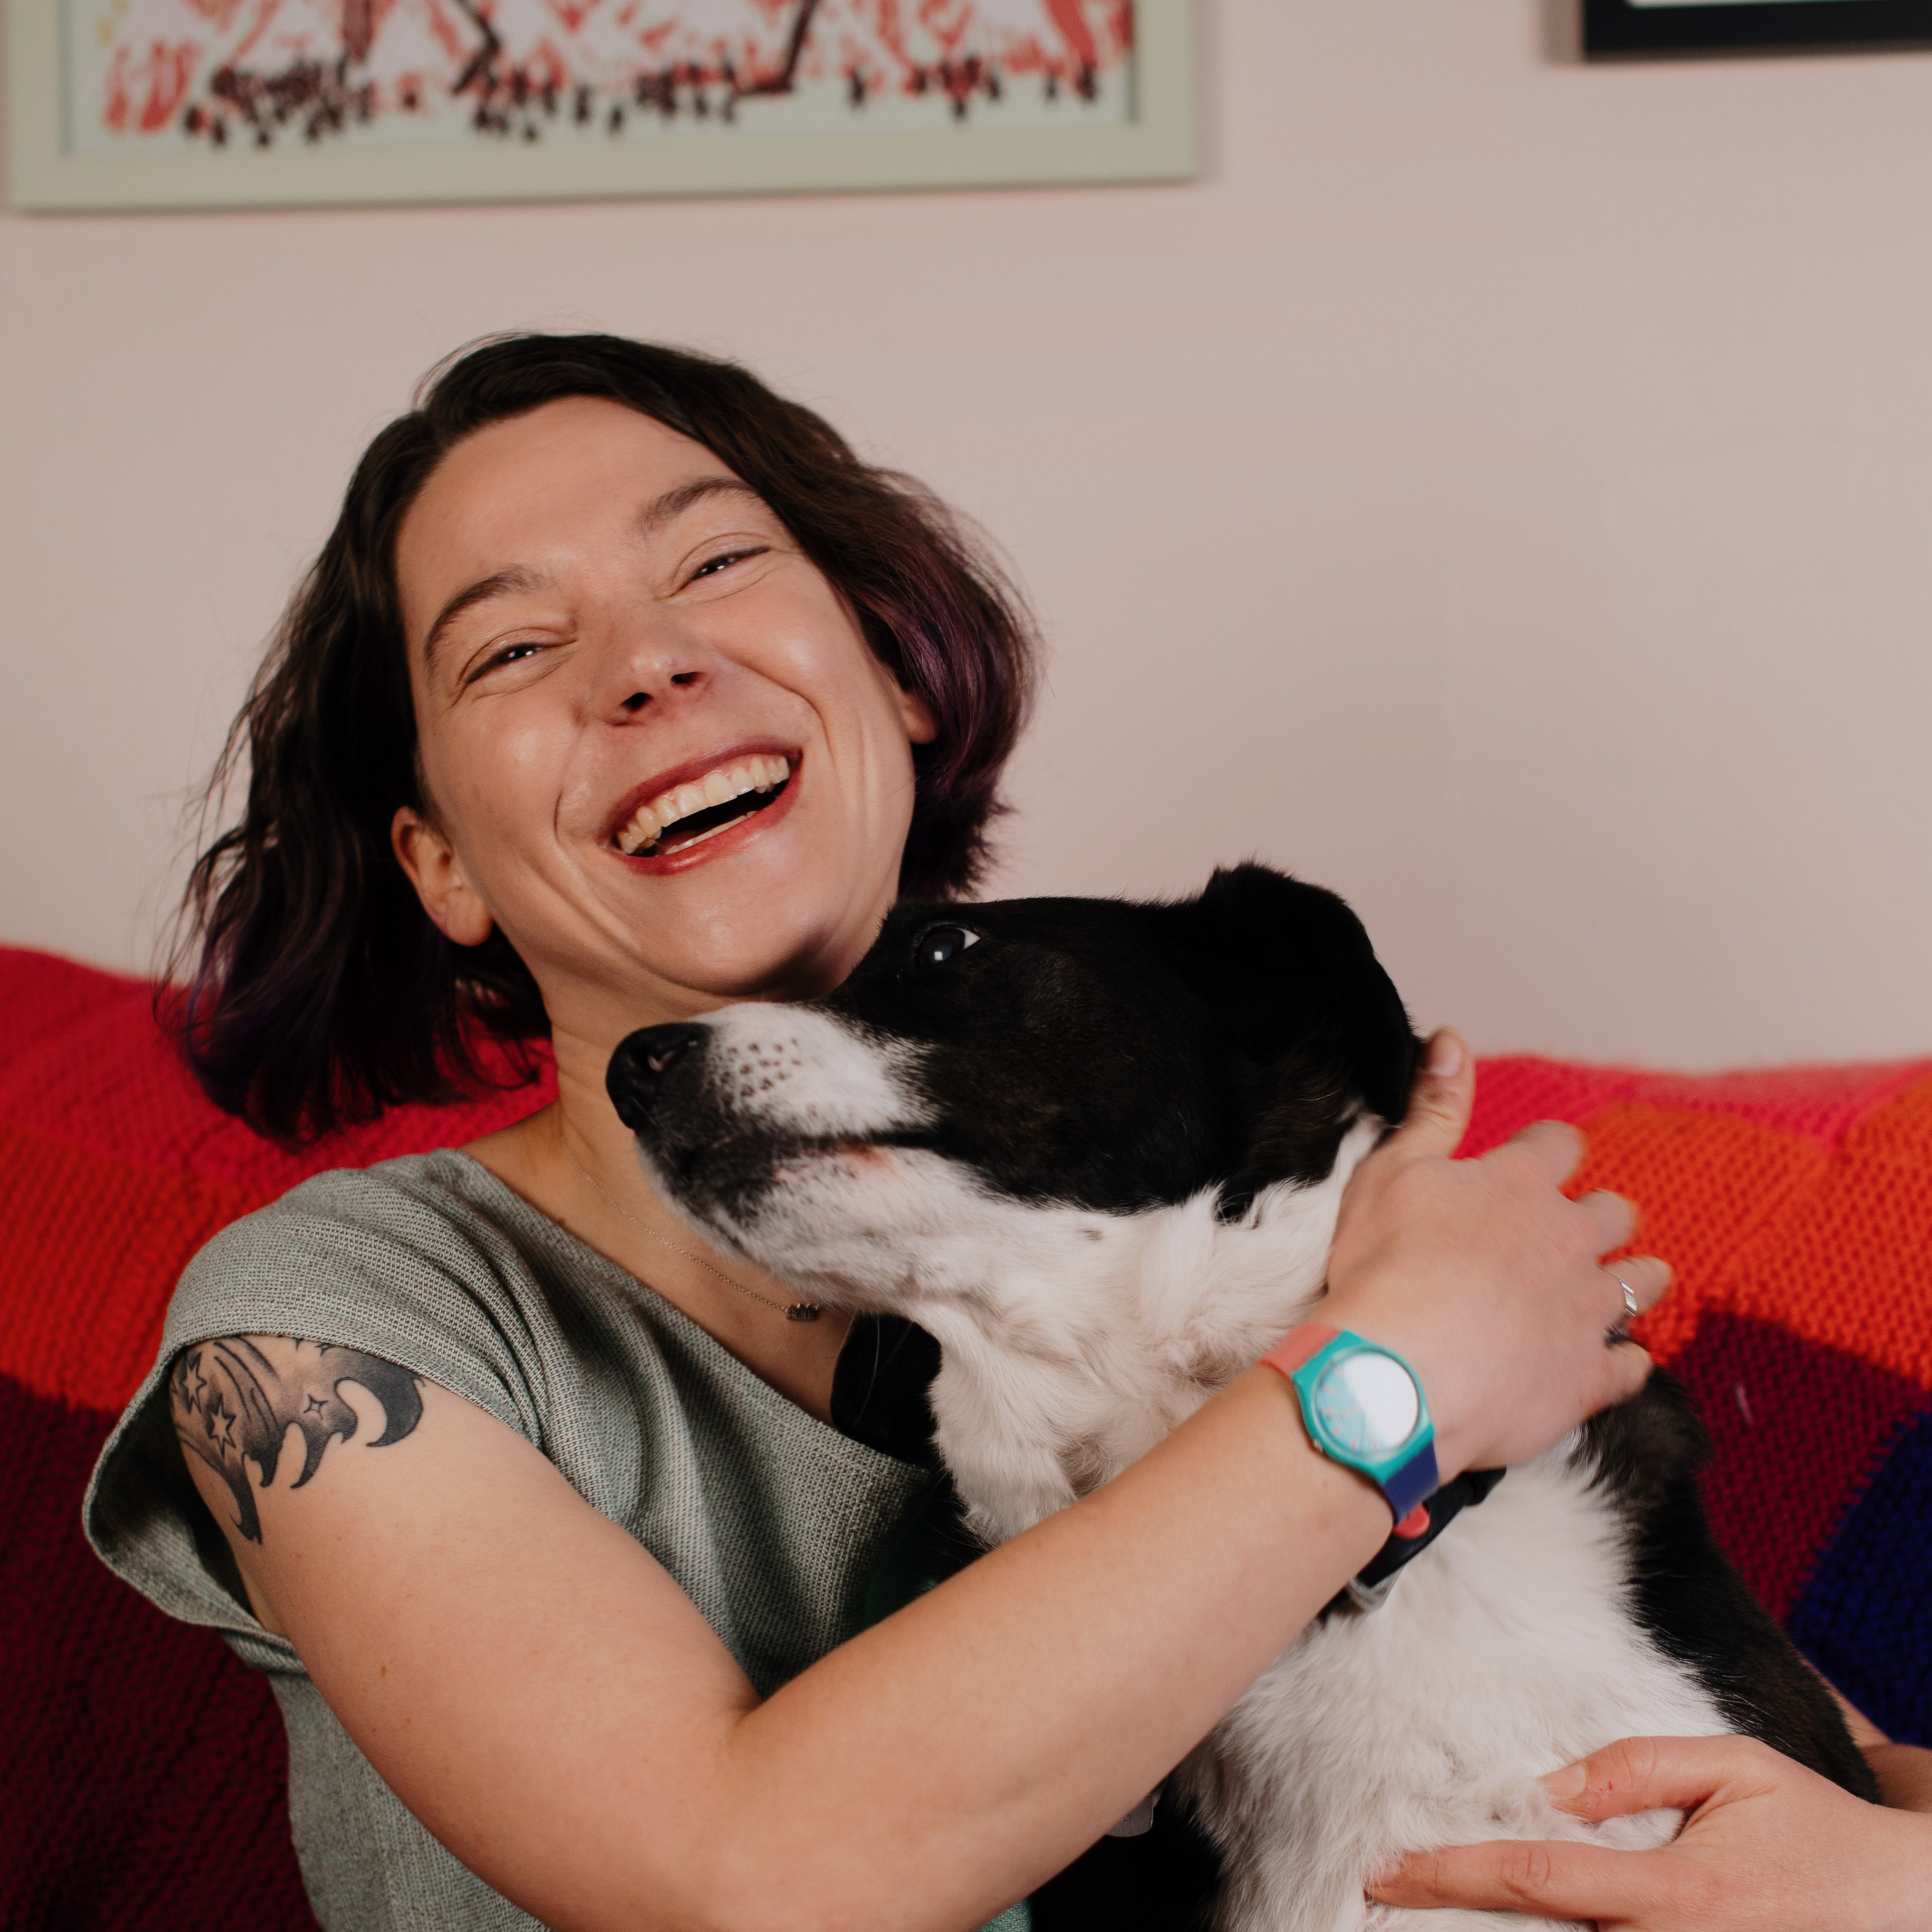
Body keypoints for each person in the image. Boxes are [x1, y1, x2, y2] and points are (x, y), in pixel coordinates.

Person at [82, 334, 1928, 1932]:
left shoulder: (1128, 1260)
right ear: (439, 865)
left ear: (890, 672)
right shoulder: (339, 1311)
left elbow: (1787, 1764)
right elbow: (748, 1883)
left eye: (715, 563)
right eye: (509, 651)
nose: (643, 668)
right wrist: (1410, 1370)